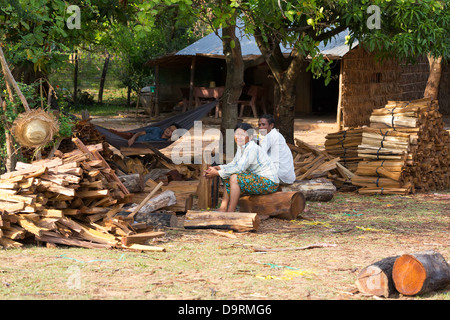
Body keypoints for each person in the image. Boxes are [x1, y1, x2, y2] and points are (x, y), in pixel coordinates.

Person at [204, 122, 279, 212]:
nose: (239, 137)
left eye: (242, 135)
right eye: (237, 134)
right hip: (258, 178)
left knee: (234, 178)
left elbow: (240, 168)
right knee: (228, 176)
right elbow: (234, 164)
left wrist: (217, 173)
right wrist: (218, 168)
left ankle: (231, 211)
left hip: (269, 182)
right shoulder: (242, 147)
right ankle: (223, 208)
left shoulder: (252, 148)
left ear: (250, 137)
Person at [258, 114, 296, 185]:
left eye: (263, 125)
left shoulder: (270, 135)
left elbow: (258, 155)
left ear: (271, 125)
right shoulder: (275, 134)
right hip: (287, 176)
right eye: (259, 125)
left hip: (280, 176)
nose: (261, 127)